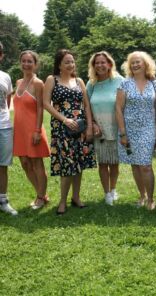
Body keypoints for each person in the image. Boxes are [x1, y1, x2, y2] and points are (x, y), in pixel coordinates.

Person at [43, 49, 96, 215]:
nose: (71, 64)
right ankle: (62, 201)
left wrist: (88, 127)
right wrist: (64, 119)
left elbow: (86, 105)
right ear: (59, 64)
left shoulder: (79, 81)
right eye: (67, 62)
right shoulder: (52, 80)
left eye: (72, 61)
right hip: (62, 128)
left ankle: (76, 197)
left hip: (79, 128)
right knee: (66, 165)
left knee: (78, 163)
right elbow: (46, 104)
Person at [116, 51, 156, 210]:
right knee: (135, 164)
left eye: (138, 62)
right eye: (132, 63)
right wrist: (122, 133)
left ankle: (151, 199)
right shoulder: (124, 84)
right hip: (129, 129)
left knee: (146, 165)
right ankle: (142, 196)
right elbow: (118, 109)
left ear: (145, 64)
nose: (135, 65)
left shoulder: (154, 84)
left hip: (148, 128)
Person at [13, 50, 50, 209]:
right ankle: (41, 194)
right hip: (19, 131)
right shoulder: (18, 82)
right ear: (20, 63)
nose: (26, 64)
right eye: (24, 61)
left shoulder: (38, 83)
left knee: (36, 163)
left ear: (35, 65)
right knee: (25, 163)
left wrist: (37, 131)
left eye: (30, 61)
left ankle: (41, 197)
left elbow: (41, 108)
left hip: (33, 129)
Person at [87, 51, 124, 206]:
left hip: (116, 129)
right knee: (103, 163)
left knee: (114, 162)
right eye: (97, 63)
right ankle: (107, 193)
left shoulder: (120, 81)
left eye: (103, 62)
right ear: (93, 66)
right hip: (99, 130)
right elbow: (87, 107)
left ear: (109, 64)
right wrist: (93, 124)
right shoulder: (91, 84)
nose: (100, 65)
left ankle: (114, 189)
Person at [0, 42, 17, 216]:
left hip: (4, 126)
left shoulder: (5, 76)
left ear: (1, 56)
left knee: (2, 165)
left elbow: (7, 101)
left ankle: (3, 200)